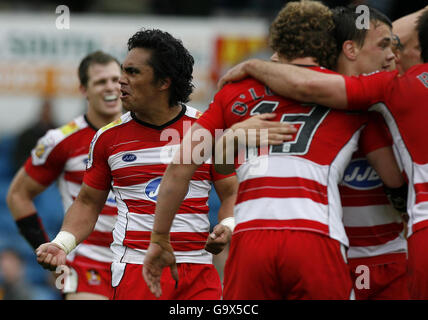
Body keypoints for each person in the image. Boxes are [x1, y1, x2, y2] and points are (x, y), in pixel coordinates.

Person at [143, 1, 405, 300]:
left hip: (251, 241)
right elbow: (394, 179)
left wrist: (160, 237)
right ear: (331, 44)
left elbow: (181, 166)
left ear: (276, 42)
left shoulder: (234, 91)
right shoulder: (351, 95)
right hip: (316, 237)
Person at [218, 7, 428, 300]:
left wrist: (258, 65)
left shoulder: (387, 98)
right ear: (350, 49)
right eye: (383, 45)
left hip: (386, 256)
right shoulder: (327, 97)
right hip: (329, 255)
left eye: (395, 46)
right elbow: (230, 182)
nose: (393, 55)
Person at [35, 29, 238, 300]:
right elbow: (86, 203)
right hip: (137, 269)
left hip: (198, 272)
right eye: (123, 71)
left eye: (132, 72)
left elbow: (231, 192)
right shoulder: (108, 138)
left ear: (163, 82)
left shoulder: (210, 130)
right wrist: (62, 243)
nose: (120, 81)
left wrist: (228, 224)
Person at [6, 50, 123, 300]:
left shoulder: (146, 134)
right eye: (101, 81)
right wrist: (47, 249)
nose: (110, 87)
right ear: (83, 89)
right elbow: (18, 195)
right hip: (85, 262)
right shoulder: (60, 140)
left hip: (140, 260)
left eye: (116, 80)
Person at [12, 97, 56, 174]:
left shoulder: (60, 134)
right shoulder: (26, 135)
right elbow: (18, 159)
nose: (46, 113)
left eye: (48, 110)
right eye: (44, 109)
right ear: (39, 112)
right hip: (31, 173)